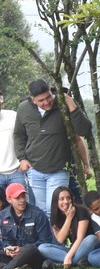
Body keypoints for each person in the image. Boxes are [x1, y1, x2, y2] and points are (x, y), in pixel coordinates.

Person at [12, 80, 93, 210]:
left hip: (59, 168)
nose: (46, 102)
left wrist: (70, 103)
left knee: (54, 209)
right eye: (41, 100)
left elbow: (84, 131)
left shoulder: (63, 103)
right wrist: (22, 158)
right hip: (34, 169)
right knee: (41, 211)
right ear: (33, 100)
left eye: (48, 97)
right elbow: (18, 135)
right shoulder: (24, 108)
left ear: (51, 92)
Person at [37, 185, 98, 269]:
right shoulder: (55, 216)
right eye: (61, 199)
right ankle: (76, 261)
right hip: (74, 249)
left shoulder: (81, 211)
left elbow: (80, 238)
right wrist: (69, 218)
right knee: (42, 248)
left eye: (68, 198)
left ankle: (61, 263)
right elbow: (60, 239)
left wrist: (69, 256)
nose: (66, 201)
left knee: (92, 238)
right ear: (56, 202)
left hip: (86, 246)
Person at [0, 182, 51, 269]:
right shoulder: (3, 215)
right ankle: (20, 268)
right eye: (17, 198)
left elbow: (45, 242)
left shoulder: (37, 214)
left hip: (34, 255)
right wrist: (8, 249)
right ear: (8, 199)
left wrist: (22, 250)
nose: (22, 200)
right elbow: (6, 240)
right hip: (14, 256)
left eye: (23, 196)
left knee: (30, 248)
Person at [0, 100, 30, 205]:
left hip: (17, 171)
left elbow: (25, 137)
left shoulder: (12, 116)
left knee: (22, 204)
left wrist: (24, 159)